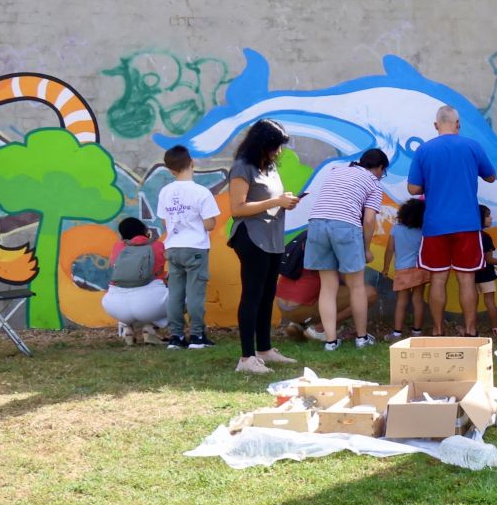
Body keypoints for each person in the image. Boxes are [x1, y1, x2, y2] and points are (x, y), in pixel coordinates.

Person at [407, 106, 497, 337]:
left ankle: (437, 331)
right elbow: (491, 176)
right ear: (458, 124)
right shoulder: (472, 146)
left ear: (436, 125)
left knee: (438, 280)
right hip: (467, 224)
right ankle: (471, 331)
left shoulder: (424, 150)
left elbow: (413, 188)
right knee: (467, 279)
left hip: (435, 225)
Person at [227, 119, 301, 374]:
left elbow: (272, 199)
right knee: (252, 295)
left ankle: (264, 349)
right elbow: (237, 208)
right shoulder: (242, 168)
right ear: (261, 144)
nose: (278, 151)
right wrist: (276, 201)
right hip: (252, 237)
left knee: (267, 294)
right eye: (275, 146)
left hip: (272, 238)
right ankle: (246, 358)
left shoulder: (269, 168)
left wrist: (285, 201)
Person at [303, 147, 388, 350]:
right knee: (356, 286)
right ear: (379, 168)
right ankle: (361, 338)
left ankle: (330, 341)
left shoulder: (338, 170)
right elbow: (369, 220)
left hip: (317, 224)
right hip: (345, 226)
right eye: (383, 172)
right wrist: (366, 249)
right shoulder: (373, 183)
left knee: (327, 286)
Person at [156, 144, 219, 349]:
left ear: (170, 170)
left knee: (175, 293)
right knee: (195, 294)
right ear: (192, 163)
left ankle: (176, 336)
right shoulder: (201, 192)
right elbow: (210, 224)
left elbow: (165, 222)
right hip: (196, 248)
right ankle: (197, 336)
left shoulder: (165, 192)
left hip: (173, 247)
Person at [101, 217, 169, 344]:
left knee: (133, 301)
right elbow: (160, 273)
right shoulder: (157, 245)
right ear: (144, 230)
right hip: (149, 305)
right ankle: (150, 328)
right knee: (181, 295)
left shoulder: (118, 247)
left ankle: (127, 329)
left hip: (114, 305)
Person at [383, 198, 427, 340]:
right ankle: (417, 331)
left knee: (401, 301)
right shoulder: (423, 231)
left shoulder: (396, 229)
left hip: (402, 270)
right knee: (418, 300)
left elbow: (390, 250)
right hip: (420, 268)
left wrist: (385, 268)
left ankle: (397, 333)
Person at [473, 205, 497, 336]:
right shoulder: (485, 237)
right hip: (486, 274)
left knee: (471, 303)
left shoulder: (469, 236)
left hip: (470, 274)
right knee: (490, 302)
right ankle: (496, 329)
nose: (491, 218)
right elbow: (489, 260)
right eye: (487, 216)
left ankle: (471, 329)